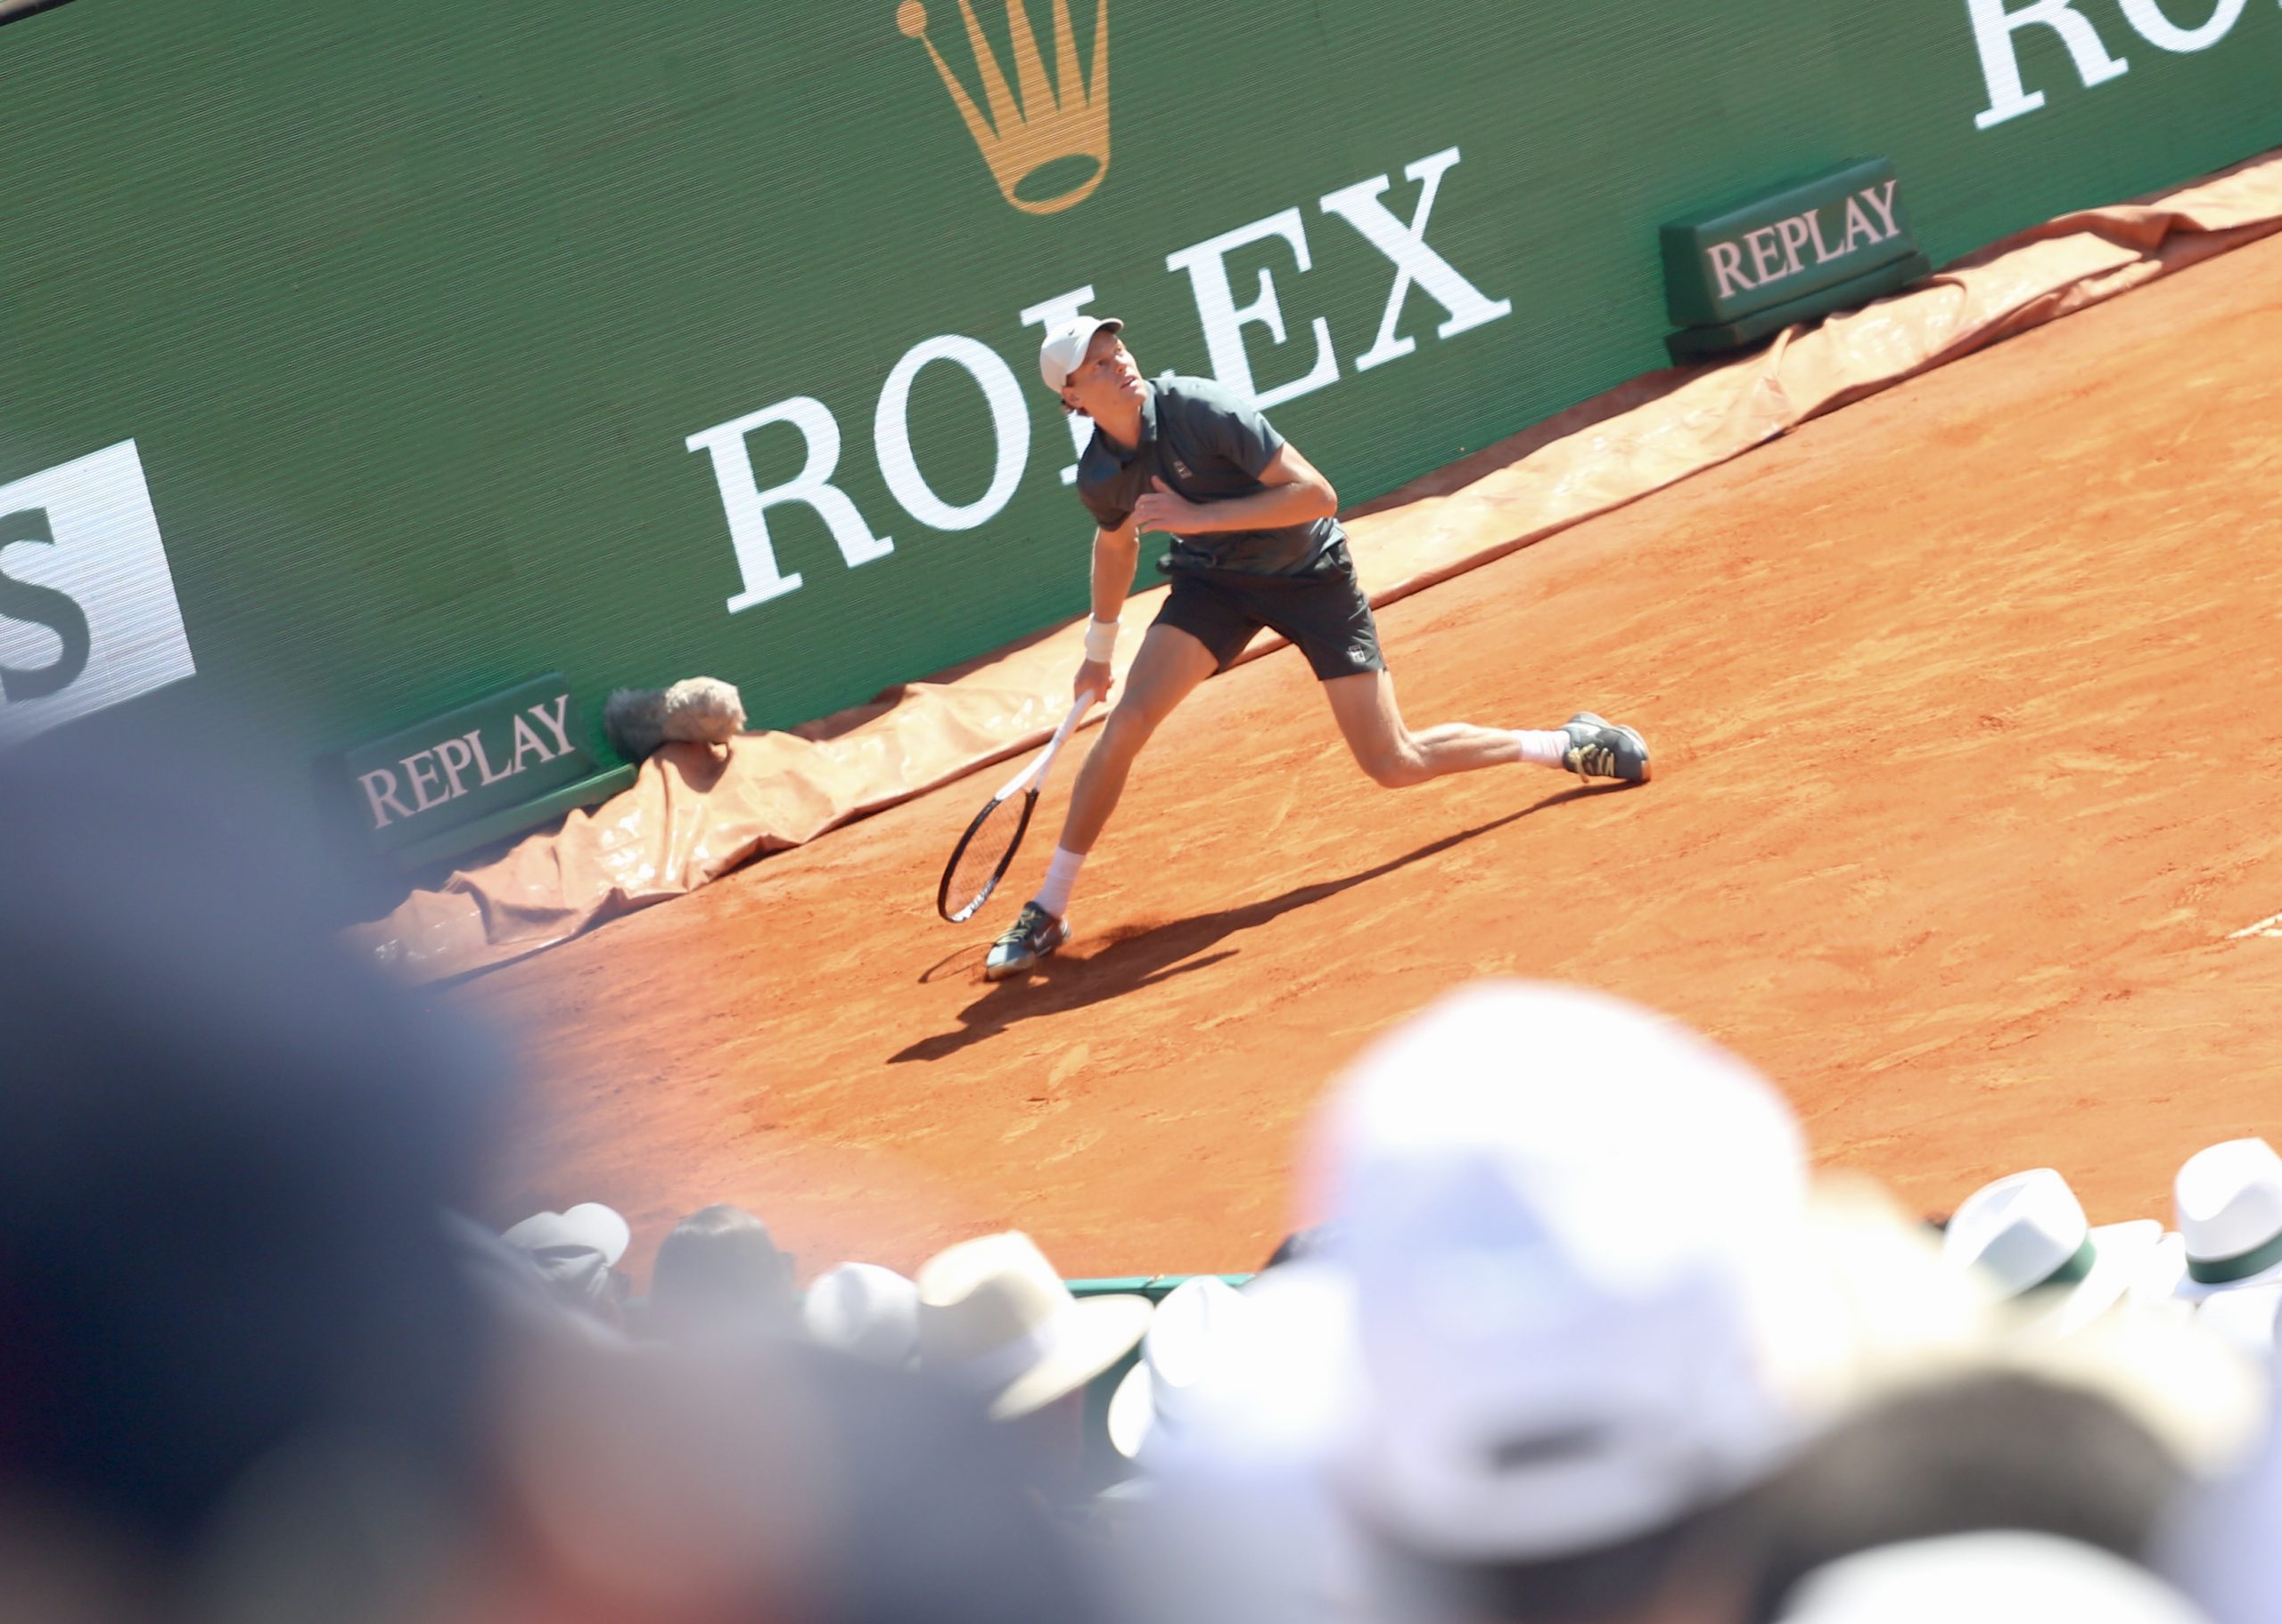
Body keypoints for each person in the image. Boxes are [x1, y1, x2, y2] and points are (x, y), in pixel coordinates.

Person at [986, 319, 1654, 979]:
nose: (1118, 364)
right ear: (1071, 398)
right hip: (1215, 586)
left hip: (1311, 579)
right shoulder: (1101, 475)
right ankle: (1049, 906)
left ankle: (1563, 744)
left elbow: (1317, 496)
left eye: (1117, 350)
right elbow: (1116, 544)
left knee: (1393, 762)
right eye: (1096, 367)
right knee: (1126, 721)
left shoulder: (1202, 409)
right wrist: (1098, 651)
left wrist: (1199, 520)